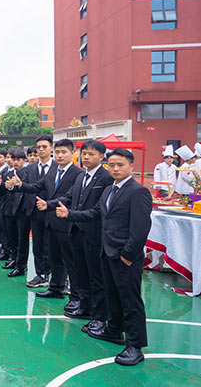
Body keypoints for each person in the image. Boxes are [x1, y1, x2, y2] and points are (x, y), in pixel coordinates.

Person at [57, 148, 152, 366]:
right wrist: (70, 214)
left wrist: (128, 255)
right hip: (106, 252)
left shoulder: (138, 192)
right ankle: (114, 330)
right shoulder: (109, 189)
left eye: (120, 165)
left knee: (130, 301)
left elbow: (140, 230)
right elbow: (95, 213)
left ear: (131, 166)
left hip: (125, 256)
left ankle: (135, 346)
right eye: (112, 165)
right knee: (113, 295)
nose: (115, 169)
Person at [41, 139, 112, 331]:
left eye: (91, 154)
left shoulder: (105, 178)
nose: (86, 157)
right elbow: (69, 197)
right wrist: (49, 205)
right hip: (77, 231)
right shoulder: (82, 176)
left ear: (101, 156)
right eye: (84, 153)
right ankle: (85, 307)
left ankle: (99, 316)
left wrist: (70, 215)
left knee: (96, 277)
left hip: (94, 234)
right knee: (81, 273)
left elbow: (98, 210)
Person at [14, 139, 83, 298]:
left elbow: (69, 197)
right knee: (54, 256)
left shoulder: (77, 174)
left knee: (68, 258)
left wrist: (48, 204)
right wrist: (20, 185)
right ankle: (56, 288)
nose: (60, 155)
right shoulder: (53, 172)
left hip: (66, 221)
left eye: (63, 152)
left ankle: (73, 292)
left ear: (73, 153)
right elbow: (36, 187)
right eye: (57, 152)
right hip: (51, 220)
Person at [25, 135, 55, 288]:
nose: (41, 150)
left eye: (44, 147)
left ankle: (55, 276)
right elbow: (27, 186)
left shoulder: (58, 167)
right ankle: (41, 274)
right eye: (39, 147)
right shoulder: (30, 168)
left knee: (51, 245)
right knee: (37, 244)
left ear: (51, 148)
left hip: (53, 211)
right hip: (34, 211)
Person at [1, 150, 29, 276]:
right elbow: (3, 192)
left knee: (21, 239)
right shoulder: (9, 173)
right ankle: (13, 259)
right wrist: (2, 186)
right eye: (14, 159)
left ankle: (21, 265)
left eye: (19, 160)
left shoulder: (27, 172)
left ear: (24, 160)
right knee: (11, 237)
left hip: (22, 209)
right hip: (10, 209)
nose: (15, 162)